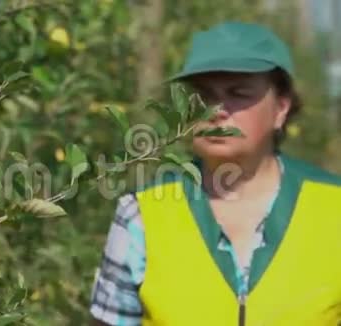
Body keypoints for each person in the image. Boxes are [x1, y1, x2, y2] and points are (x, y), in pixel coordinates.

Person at [89, 21, 341, 326]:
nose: (216, 110)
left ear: (281, 108)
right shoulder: (142, 213)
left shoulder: (333, 208)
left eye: (238, 93)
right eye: (204, 96)